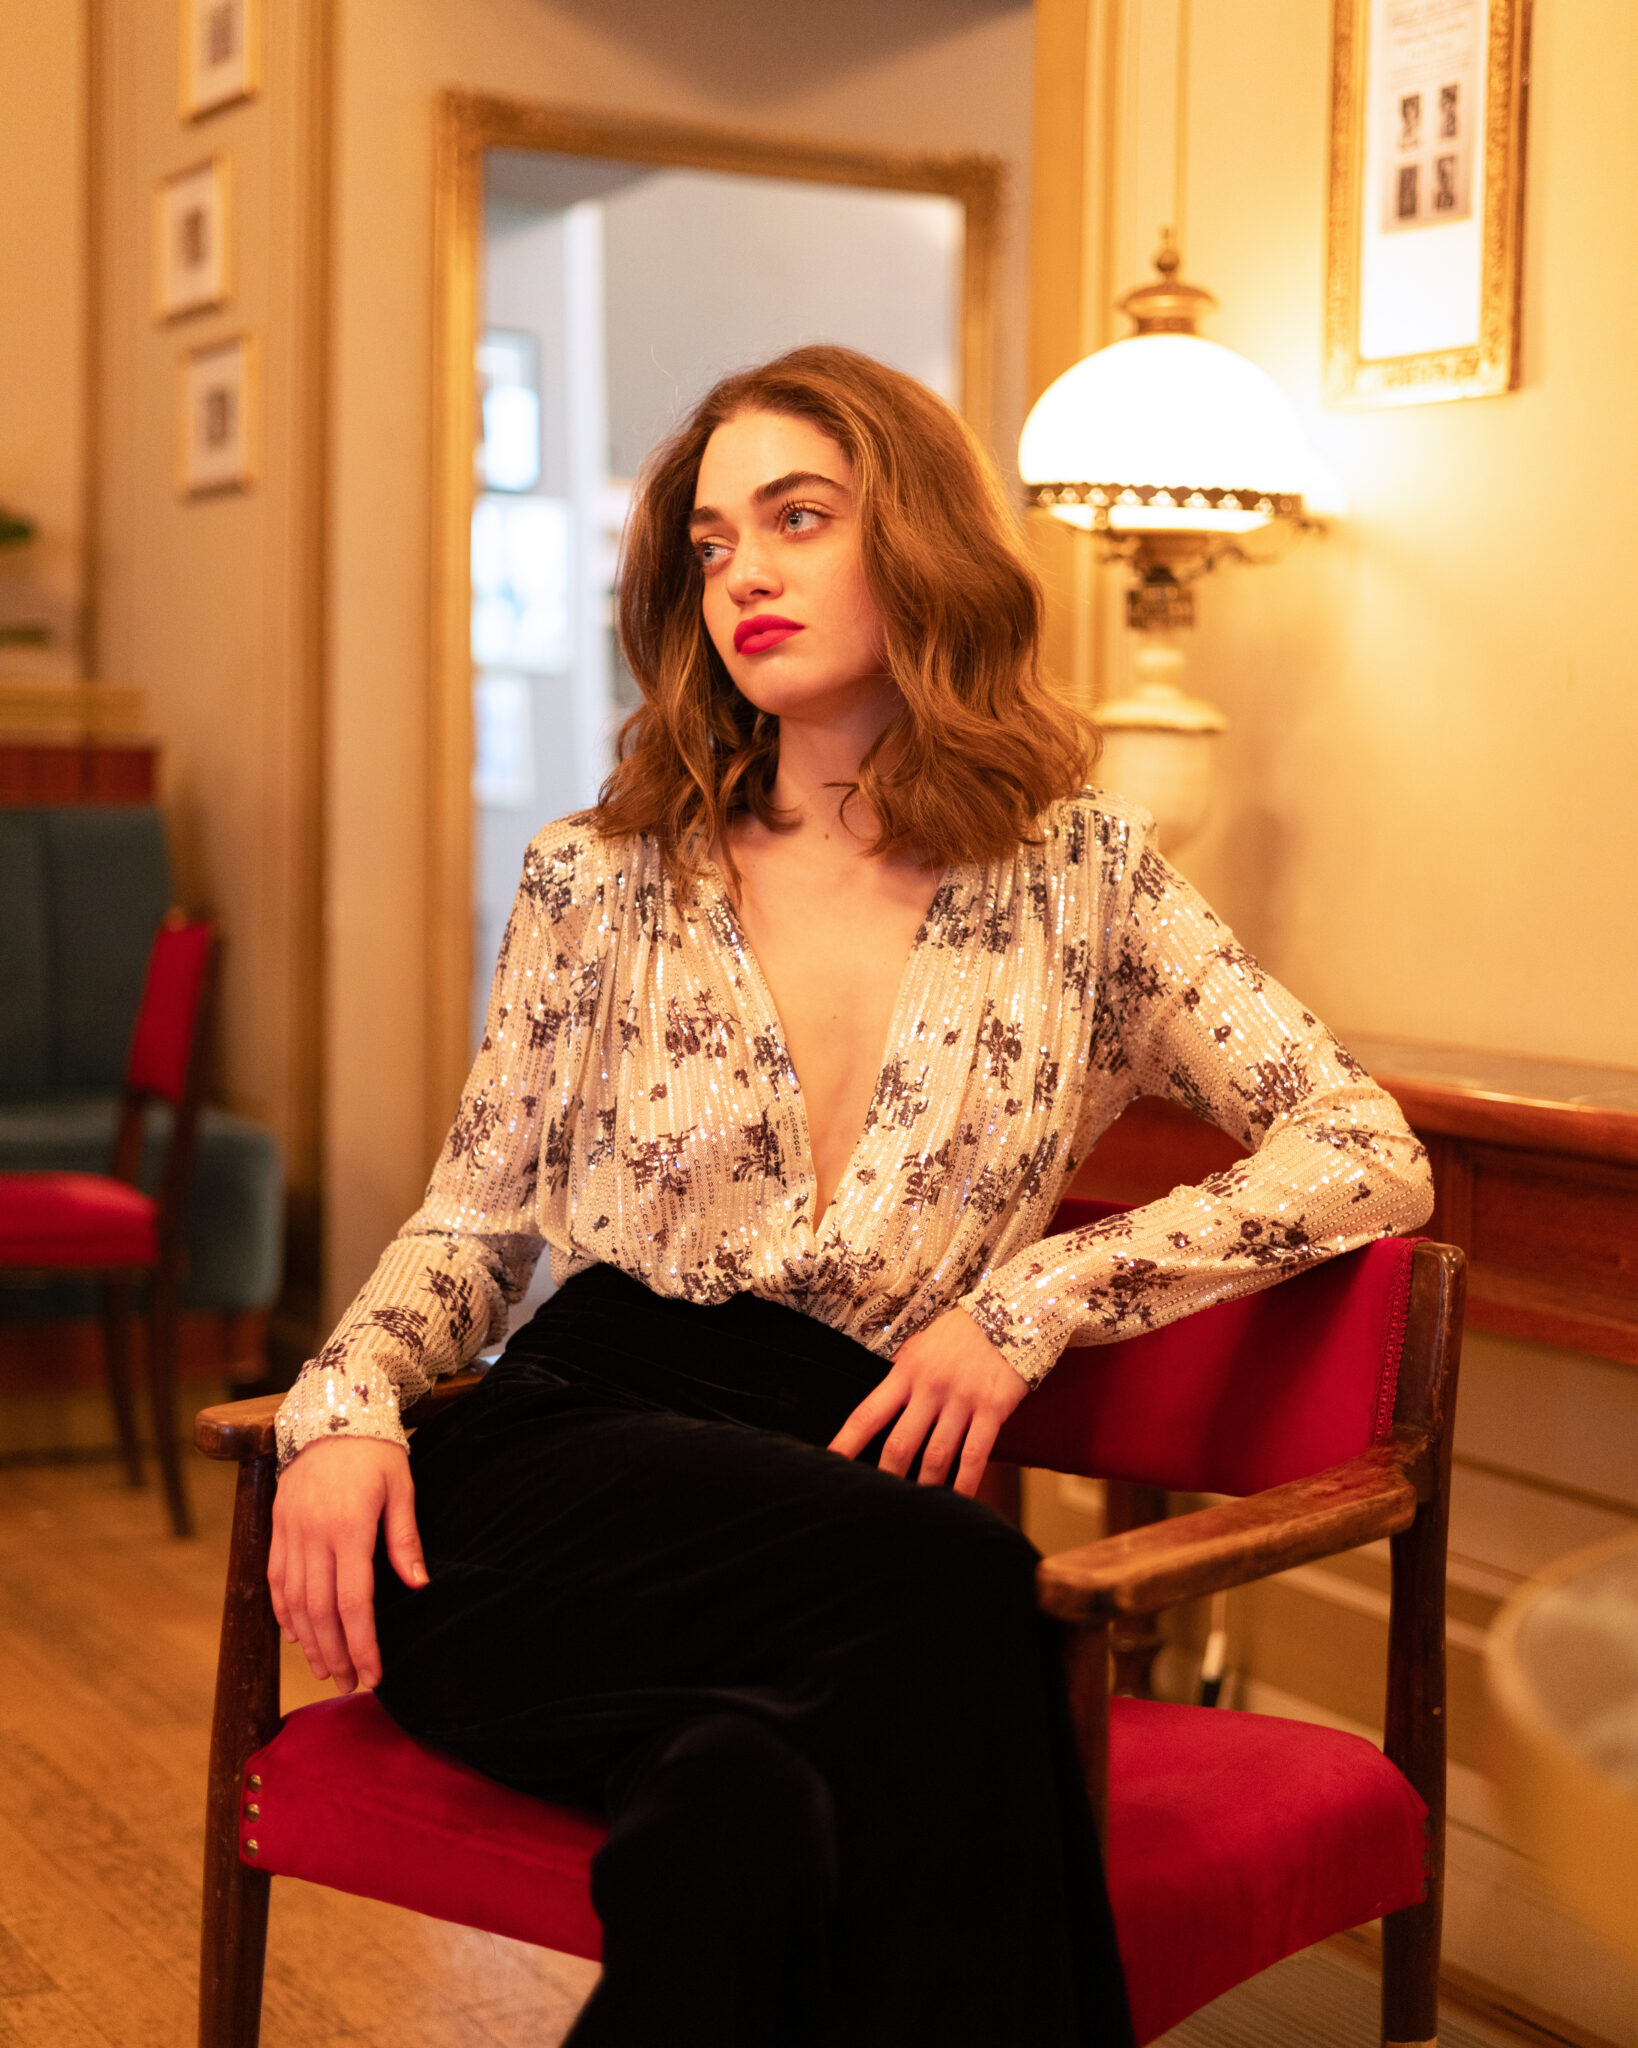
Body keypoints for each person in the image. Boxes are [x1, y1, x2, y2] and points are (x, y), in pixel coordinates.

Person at [269, 345, 1433, 2047]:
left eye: (797, 518)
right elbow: (474, 1219)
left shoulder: (1081, 881)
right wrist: (346, 1407)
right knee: (966, 1585)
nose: (741, 569)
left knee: (740, 1819)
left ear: (920, 539)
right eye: (710, 542)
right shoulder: (600, 874)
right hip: (558, 1482)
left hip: (839, 1516)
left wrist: (1029, 1304)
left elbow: (1361, 1147)